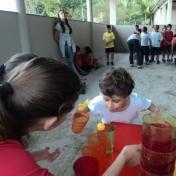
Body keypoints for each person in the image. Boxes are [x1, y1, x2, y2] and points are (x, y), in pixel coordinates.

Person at [0, 53, 140, 176]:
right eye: (69, 111)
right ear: (51, 121)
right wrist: (124, 157)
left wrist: (34, 156)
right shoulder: (14, 165)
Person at [82, 68, 159, 124]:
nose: (110, 106)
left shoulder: (136, 101)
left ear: (127, 96)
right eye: (106, 99)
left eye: (116, 101)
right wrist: (78, 114)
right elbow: (88, 106)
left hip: (132, 126)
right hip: (110, 129)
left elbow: (152, 107)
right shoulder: (98, 101)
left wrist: (156, 115)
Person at [54, 10, 78, 76]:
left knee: (71, 61)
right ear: (59, 16)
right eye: (61, 13)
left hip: (70, 43)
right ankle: (78, 77)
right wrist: (62, 44)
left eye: (63, 13)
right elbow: (55, 37)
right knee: (70, 61)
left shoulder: (66, 24)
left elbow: (68, 35)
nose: (63, 14)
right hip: (65, 45)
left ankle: (72, 76)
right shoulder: (58, 25)